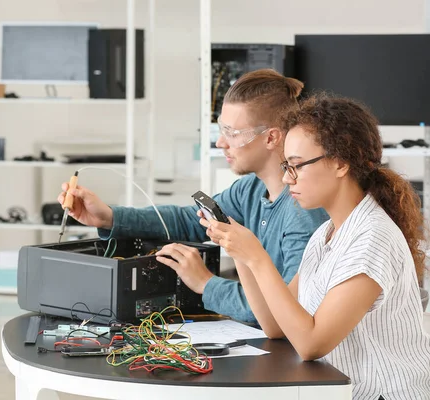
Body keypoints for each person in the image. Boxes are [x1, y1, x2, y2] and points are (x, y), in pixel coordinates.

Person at [175, 93, 430, 399]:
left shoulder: (372, 239)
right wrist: (239, 252)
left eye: (296, 166)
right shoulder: (327, 233)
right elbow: (273, 325)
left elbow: (310, 344)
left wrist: (258, 258)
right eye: (285, 165)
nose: (286, 177)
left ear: (339, 163)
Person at [58, 69, 329, 324]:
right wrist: (108, 217)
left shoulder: (304, 212)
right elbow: (191, 220)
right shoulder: (250, 189)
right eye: (221, 130)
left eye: (231, 133)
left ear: (271, 138)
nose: (220, 143)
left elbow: (284, 312)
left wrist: (205, 283)